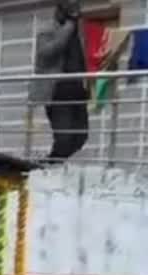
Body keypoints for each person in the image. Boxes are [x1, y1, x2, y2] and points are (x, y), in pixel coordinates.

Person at [34, 0, 88, 162]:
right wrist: (68, 28)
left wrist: (87, 84)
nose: (75, 15)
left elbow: (81, 60)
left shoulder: (79, 33)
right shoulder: (47, 30)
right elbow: (45, 54)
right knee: (64, 138)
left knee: (80, 137)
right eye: (71, 11)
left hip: (77, 90)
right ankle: (49, 165)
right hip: (57, 90)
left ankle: (53, 164)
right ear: (59, 11)